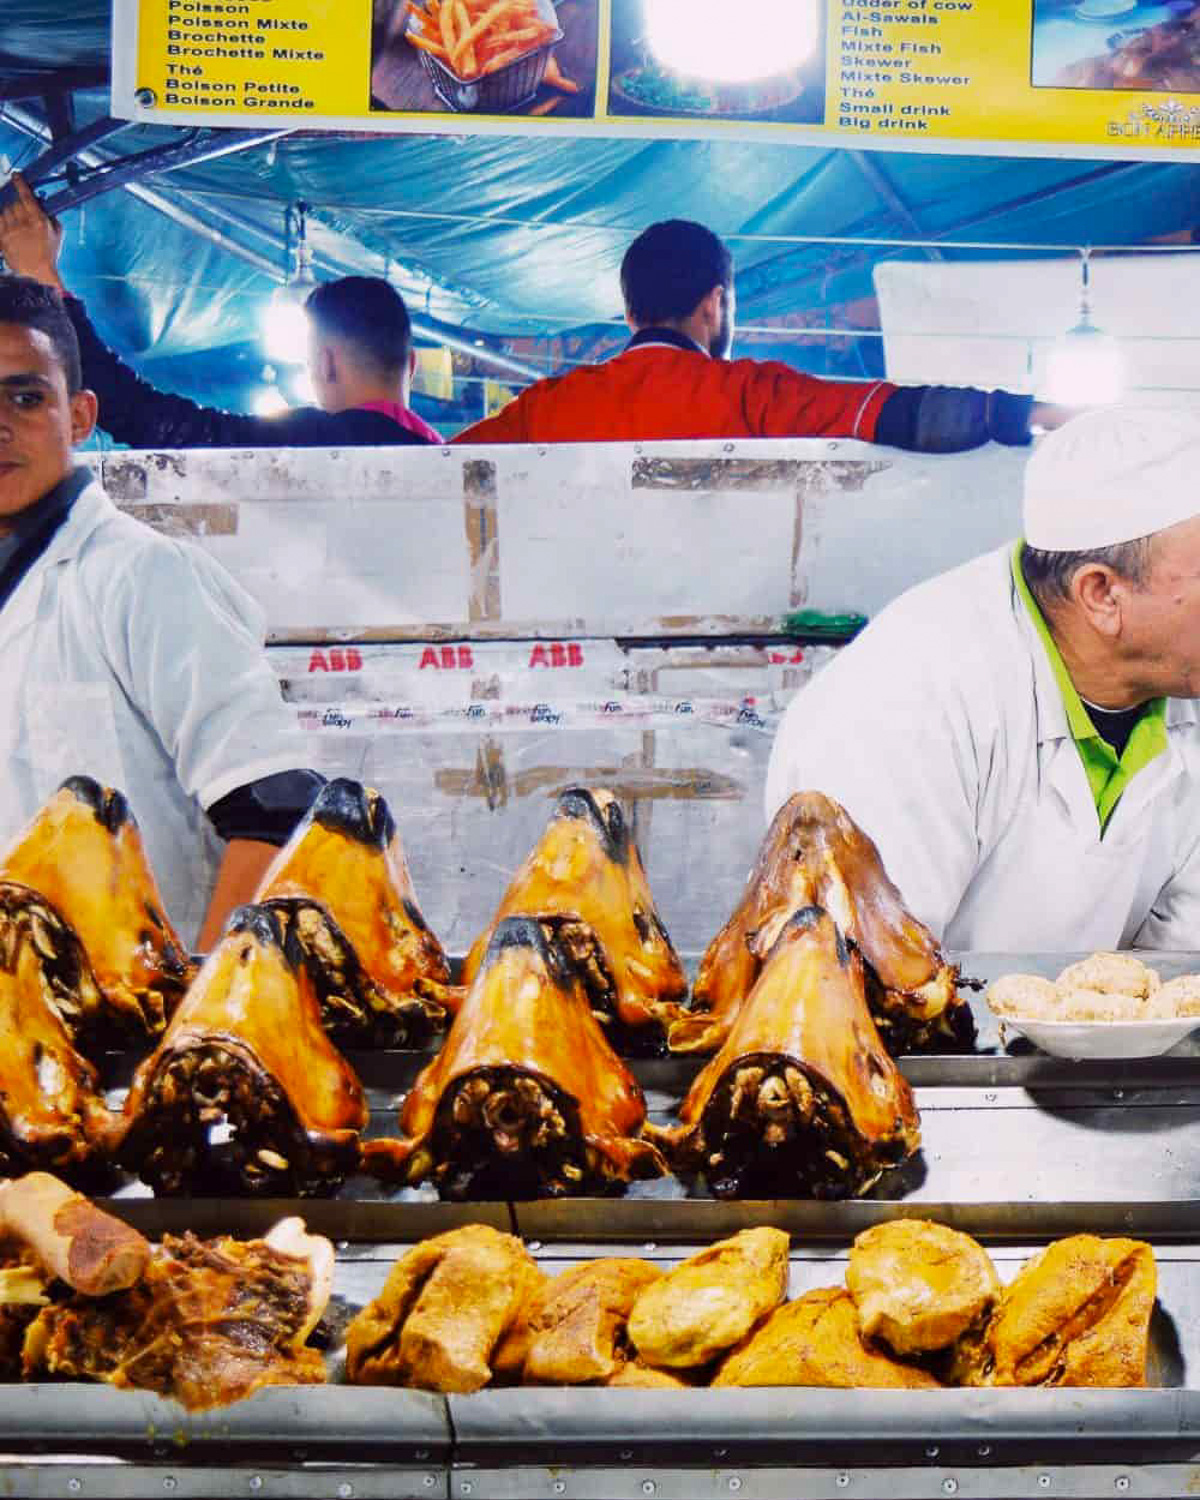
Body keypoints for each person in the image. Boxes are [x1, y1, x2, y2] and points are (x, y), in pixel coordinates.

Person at [764, 404, 1200, 952]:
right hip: (917, 1036)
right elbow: (864, 986)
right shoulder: (903, 702)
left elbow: (1180, 973)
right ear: (1102, 594)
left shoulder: (1178, 674)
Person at [0, 274, 324, 948]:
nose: (0, 426)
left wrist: (205, 1007)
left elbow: (276, 808)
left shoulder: (142, 575)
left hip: (130, 1031)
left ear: (81, 417)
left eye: (25, 397)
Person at [455, 218, 1070, 450]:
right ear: (715, 304)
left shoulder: (543, 409)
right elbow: (904, 415)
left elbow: (433, 471)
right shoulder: (753, 394)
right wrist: (1037, 412)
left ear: (629, 314)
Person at [0, 172, 441, 448]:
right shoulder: (454, 458)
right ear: (413, 364)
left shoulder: (316, 443)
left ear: (325, 363)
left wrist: (42, 273)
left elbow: (141, 415)